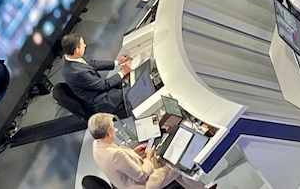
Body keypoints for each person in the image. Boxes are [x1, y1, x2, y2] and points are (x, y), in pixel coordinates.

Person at [88, 113, 216, 189]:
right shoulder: (115, 155)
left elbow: (120, 163)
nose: (114, 129)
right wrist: (148, 157)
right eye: (112, 128)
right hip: (144, 184)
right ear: (108, 133)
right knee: (175, 164)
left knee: (162, 157)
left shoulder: (96, 145)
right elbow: (141, 175)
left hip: (129, 180)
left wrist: (134, 152)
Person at [61, 34, 131, 118]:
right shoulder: (78, 73)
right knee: (133, 91)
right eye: (83, 44)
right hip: (102, 100)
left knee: (128, 79)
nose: (85, 45)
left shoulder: (68, 57)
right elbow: (103, 85)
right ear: (77, 50)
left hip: (99, 89)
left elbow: (92, 63)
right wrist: (122, 72)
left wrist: (117, 62)